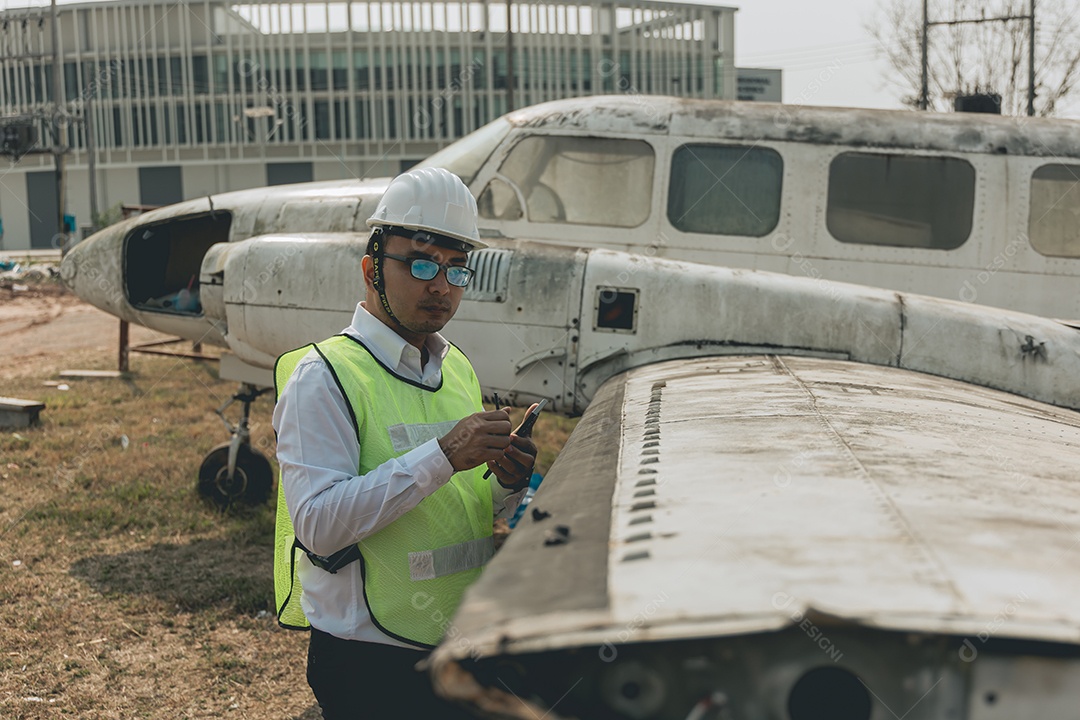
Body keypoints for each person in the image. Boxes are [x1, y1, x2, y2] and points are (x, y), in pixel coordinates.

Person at [272, 167, 537, 719]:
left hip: (462, 641)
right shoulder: (324, 376)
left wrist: (506, 485)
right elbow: (317, 525)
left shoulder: (456, 366)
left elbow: (459, 508)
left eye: (456, 269)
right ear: (371, 269)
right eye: (420, 264)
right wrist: (441, 455)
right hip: (373, 661)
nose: (440, 286)